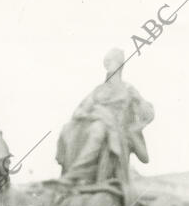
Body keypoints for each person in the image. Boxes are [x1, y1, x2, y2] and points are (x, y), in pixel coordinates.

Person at [56, 47, 154, 186]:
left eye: (112, 61)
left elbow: (148, 114)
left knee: (98, 129)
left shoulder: (128, 89)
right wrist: (94, 114)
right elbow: (79, 111)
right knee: (68, 128)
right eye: (107, 62)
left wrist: (138, 99)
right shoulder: (99, 90)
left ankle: (76, 173)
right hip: (96, 121)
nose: (109, 65)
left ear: (120, 65)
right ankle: (77, 176)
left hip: (117, 129)